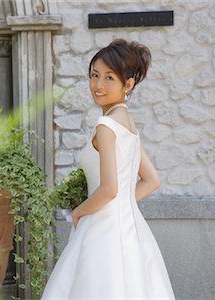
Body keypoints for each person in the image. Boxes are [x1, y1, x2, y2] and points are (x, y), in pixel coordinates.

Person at [41, 39, 175, 299]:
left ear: (128, 84)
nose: (98, 85)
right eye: (94, 75)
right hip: (131, 228)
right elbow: (151, 180)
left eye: (109, 77)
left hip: (103, 232)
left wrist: (78, 212)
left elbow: (109, 189)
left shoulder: (106, 126)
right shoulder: (128, 124)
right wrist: (121, 205)